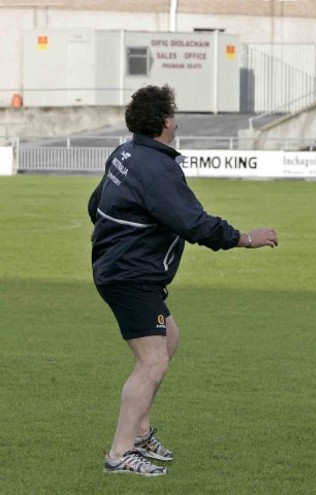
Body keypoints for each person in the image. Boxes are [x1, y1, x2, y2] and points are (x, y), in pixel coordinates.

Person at [88, 84, 278, 476]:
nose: (177, 119)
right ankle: (120, 454)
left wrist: (115, 237)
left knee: (168, 340)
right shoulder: (157, 168)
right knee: (152, 362)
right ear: (163, 122)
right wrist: (245, 238)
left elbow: (96, 204)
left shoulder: (126, 152)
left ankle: (139, 434)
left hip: (123, 267)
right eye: (173, 113)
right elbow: (194, 223)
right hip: (129, 274)